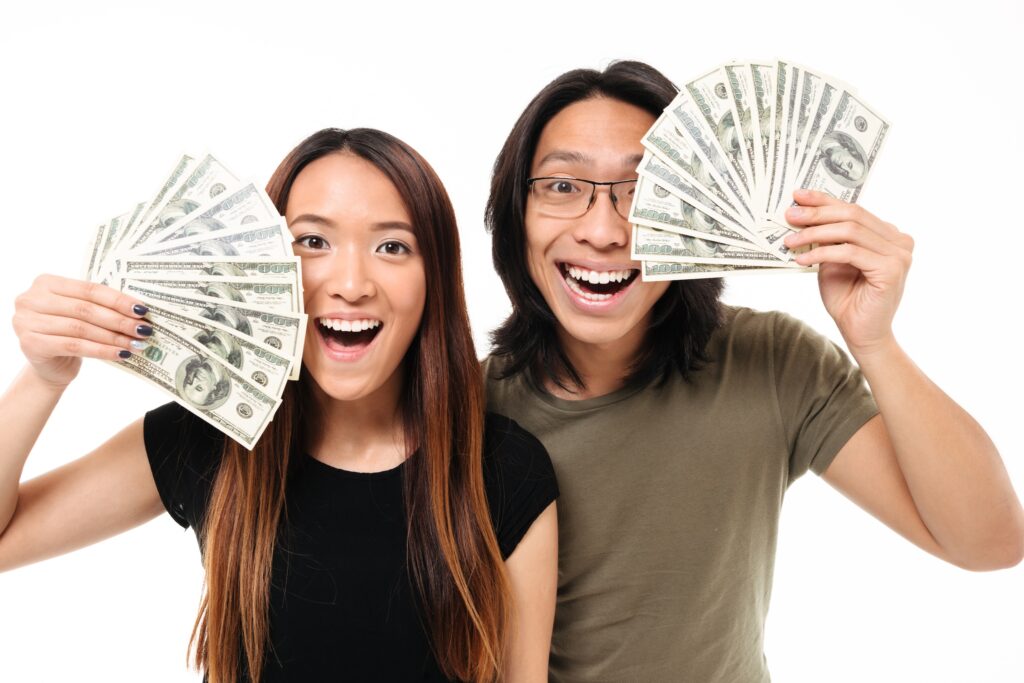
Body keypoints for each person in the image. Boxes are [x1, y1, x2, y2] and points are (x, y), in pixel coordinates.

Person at [482, 61, 1024, 682]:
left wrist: (874, 342)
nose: (603, 231)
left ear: (699, 209)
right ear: (515, 213)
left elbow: (990, 542)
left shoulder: (770, 363)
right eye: (562, 185)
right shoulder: (463, 409)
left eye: (645, 187)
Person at [0, 128, 559, 682]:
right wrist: (44, 379)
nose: (351, 284)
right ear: (263, 265)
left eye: (392, 246)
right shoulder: (209, 436)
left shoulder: (506, 469)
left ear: (434, 278)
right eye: (313, 242)